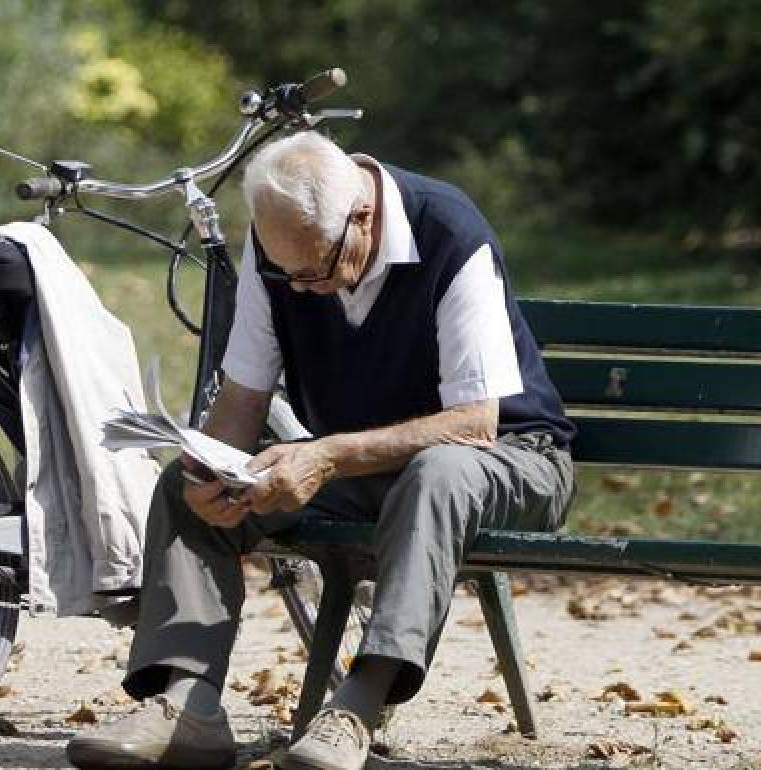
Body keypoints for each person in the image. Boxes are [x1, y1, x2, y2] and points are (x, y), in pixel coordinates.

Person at [66, 131, 576, 770]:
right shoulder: (279, 248)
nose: (303, 289)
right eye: (290, 275)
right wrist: (212, 469)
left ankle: (357, 708)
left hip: (511, 459)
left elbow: (474, 424)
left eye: (317, 271)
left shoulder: (449, 231)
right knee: (181, 487)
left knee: (439, 471)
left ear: (361, 215)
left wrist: (327, 456)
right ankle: (188, 706)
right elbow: (244, 399)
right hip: (373, 466)